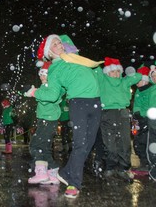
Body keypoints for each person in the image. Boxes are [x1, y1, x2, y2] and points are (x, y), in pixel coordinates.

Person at [25, 34, 103, 198]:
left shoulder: (74, 58)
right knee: (80, 144)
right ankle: (74, 183)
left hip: (96, 102)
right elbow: (53, 94)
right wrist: (36, 92)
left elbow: (68, 41)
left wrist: (63, 42)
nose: (59, 44)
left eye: (60, 42)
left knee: (88, 144)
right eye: (55, 44)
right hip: (78, 103)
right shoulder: (54, 68)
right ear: (49, 52)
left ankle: (67, 172)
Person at [93, 57, 142, 182]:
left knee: (124, 142)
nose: (116, 73)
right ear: (107, 72)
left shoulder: (124, 81)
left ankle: (124, 169)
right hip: (107, 113)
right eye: (113, 71)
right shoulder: (103, 80)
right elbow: (95, 69)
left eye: (118, 71)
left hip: (122, 112)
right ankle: (110, 167)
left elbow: (137, 77)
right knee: (109, 143)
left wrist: (131, 72)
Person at [28, 61, 64, 185]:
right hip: (47, 120)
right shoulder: (48, 86)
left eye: (45, 74)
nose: (42, 76)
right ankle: (52, 174)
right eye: (41, 74)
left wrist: (34, 93)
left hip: (47, 120)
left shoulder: (51, 86)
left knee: (36, 145)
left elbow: (46, 100)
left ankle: (41, 173)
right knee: (45, 148)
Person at [132, 65, 152, 175]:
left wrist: (142, 114)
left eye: (139, 81)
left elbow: (150, 105)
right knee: (137, 142)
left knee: (144, 141)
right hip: (137, 120)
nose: (136, 83)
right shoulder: (139, 91)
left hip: (146, 120)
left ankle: (146, 163)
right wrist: (135, 114)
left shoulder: (150, 90)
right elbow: (136, 105)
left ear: (145, 81)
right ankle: (143, 162)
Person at [147, 64, 156, 181]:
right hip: (152, 121)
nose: (154, 78)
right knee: (153, 145)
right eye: (153, 76)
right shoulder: (151, 89)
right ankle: (154, 167)